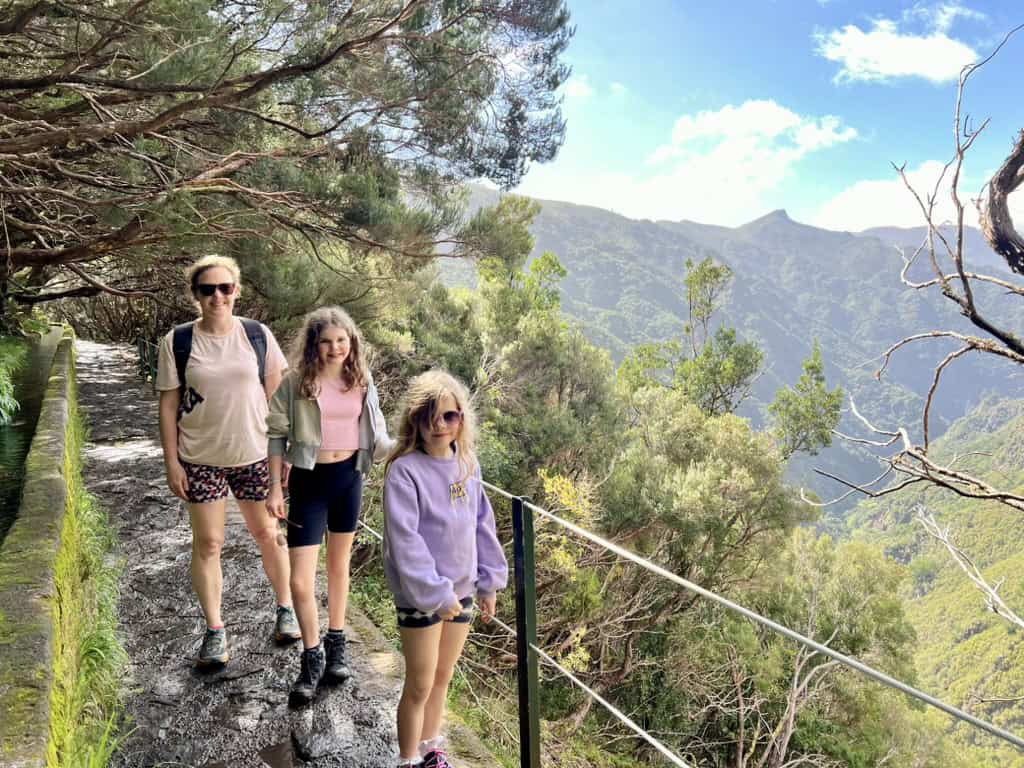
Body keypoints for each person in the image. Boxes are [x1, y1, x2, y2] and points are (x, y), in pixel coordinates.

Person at [156, 254, 300, 668]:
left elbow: (278, 399)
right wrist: (172, 462)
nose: (217, 296)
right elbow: (168, 407)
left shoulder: (257, 336)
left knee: (269, 534)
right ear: (196, 295)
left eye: (225, 288)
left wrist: (284, 452)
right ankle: (215, 630)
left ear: (237, 290)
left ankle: (285, 608)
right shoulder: (179, 341)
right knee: (209, 544)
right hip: (200, 459)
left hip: (255, 456)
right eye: (208, 289)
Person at [266, 306, 394, 706]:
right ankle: (312, 654)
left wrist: (417, 443)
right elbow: (275, 436)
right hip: (309, 483)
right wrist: (273, 487)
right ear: (314, 344)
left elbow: (379, 436)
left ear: (352, 342)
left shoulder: (362, 381)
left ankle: (337, 645)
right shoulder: (295, 383)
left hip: (348, 480)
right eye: (327, 341)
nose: (336, 348)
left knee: (339, 567)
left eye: (343, 340)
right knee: (301, 581)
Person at [383, 370, 508, 768]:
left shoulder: (467, 465)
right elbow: (406, 540)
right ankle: (407, 759)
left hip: (463, 589)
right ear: (414, 420)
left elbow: (481, 525)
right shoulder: (404, 471)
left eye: (449, 416)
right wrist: (436, 594)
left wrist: (488, 583)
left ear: (462, 420)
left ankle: (431, 751)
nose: (439, 425)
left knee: (442, 677)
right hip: (422, 596)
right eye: (429, 416)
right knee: (419, 684)